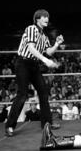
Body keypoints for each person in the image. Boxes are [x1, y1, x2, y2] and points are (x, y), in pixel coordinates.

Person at [5, 9, 64, 137]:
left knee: (43, 92)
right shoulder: (31, 29)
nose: (47, 18)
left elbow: (48, 52)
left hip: (34, 65)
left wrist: (57, 44)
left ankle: (47, 123)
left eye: (48, 16)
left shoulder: (43, 36)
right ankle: (9, 126)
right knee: (22, 94)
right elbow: (31, 48)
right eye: (44, 16)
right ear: (37, 19)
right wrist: (45, 61)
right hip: (23, 64)